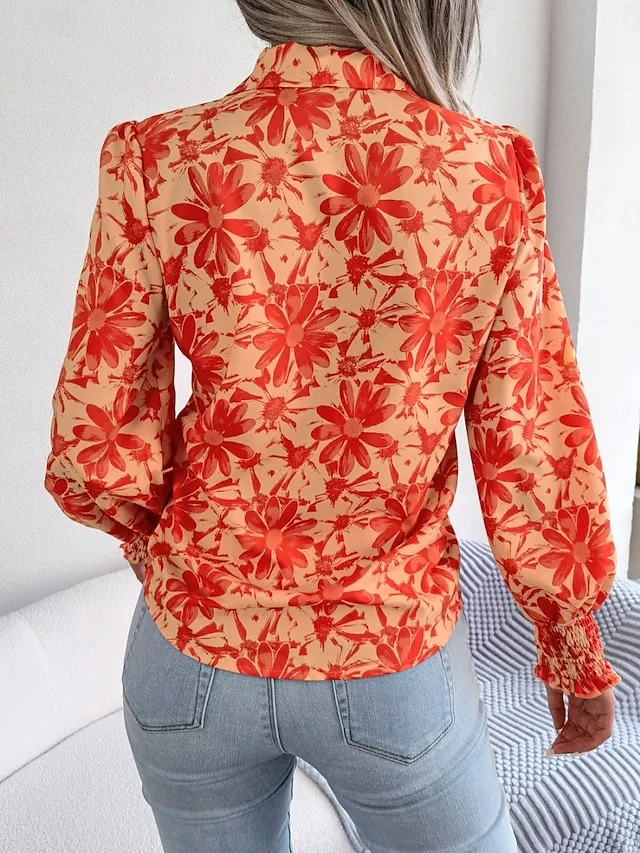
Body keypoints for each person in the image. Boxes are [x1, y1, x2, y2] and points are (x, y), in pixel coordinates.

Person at [43, 1, 621, 851]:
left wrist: (170, 559)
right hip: (388, 657)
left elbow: (93, 445)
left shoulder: (159, 157)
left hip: (189, 654)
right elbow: (532, 439)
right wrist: (569, 637)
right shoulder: (484, 172)